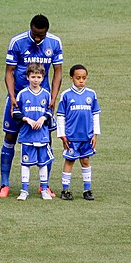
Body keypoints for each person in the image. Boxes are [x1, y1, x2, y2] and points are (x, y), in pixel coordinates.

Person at [0, 14, 63, 198]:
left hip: (43, 101)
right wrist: (12, 97)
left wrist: (53, 97)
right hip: (18, 98)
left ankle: (45, 186)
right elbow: (9, 72)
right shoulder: (17, 42)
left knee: (46, 139)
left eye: (41, 35)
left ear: (46, 31)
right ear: (30, 28)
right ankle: (4, 183)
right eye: (35, 34)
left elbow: (58, 72)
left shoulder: (55, 43)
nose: (37, 38)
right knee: (10, 137)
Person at [56, 65, 100, 200]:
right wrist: (62, 135)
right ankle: (65, 190)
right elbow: (60, 116)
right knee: (69, 161)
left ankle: (87, 190)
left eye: (84, 78)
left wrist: (95, 134)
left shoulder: (91, 94)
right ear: (71, 78)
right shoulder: (66, 95)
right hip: (71, 137)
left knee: (86, 161)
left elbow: (95, 115)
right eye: (78, 78)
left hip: (86, 137)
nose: (81, 81)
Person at [11, 63, 54, 201]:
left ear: (43, 78)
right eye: (33, 77)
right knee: (26, 163)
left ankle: (44, 189)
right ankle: (24, 190)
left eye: (39, 77)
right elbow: (15, 112)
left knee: (42, 163)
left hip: (42, 136)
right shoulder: (22, 94)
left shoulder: (46, 94)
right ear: (28, 77)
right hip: (27, 135)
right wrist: (27, 120)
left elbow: (50, 111)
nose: (36, 80)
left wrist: (43, 118)